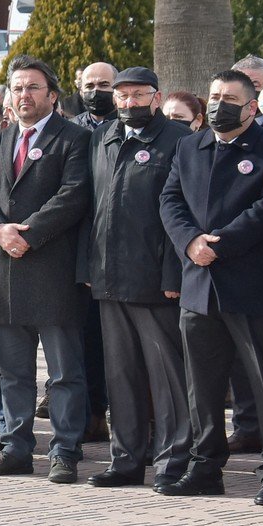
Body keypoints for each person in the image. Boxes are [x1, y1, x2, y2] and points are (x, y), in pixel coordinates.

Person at [160, 70, 263, 506]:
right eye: (215, 96)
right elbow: (171, 199)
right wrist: (190, 242)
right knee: (201, 385)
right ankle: (206, 467)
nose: (220, 104)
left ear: (251, 106)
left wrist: (220, 245)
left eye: (230, 98)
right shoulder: (190, 145)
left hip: (256, 286)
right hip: (199, 285)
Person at [0, 55, 94, 481]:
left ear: (52, 95)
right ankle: (16, 446)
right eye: (17, 88)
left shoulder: (74, 138)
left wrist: (29, 233)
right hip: (4, 273)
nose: (24, 95)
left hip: (52, 271)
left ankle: (65, 450)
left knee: (63, 373)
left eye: (33, 87)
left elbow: (74, 194)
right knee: (14, 372)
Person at [83, 65, 190, 489]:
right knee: (120, 374)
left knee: (166, 377)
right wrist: (86, 269)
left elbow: (179, 214)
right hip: (108, 276)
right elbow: (90, 208)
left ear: (156, 98)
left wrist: (173, 272)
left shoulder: (179, 141)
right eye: (123, 95)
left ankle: (172, 460)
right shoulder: (103, 137)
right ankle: (126, 459)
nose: (129, 102)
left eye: (138, 95)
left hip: (155, 279)